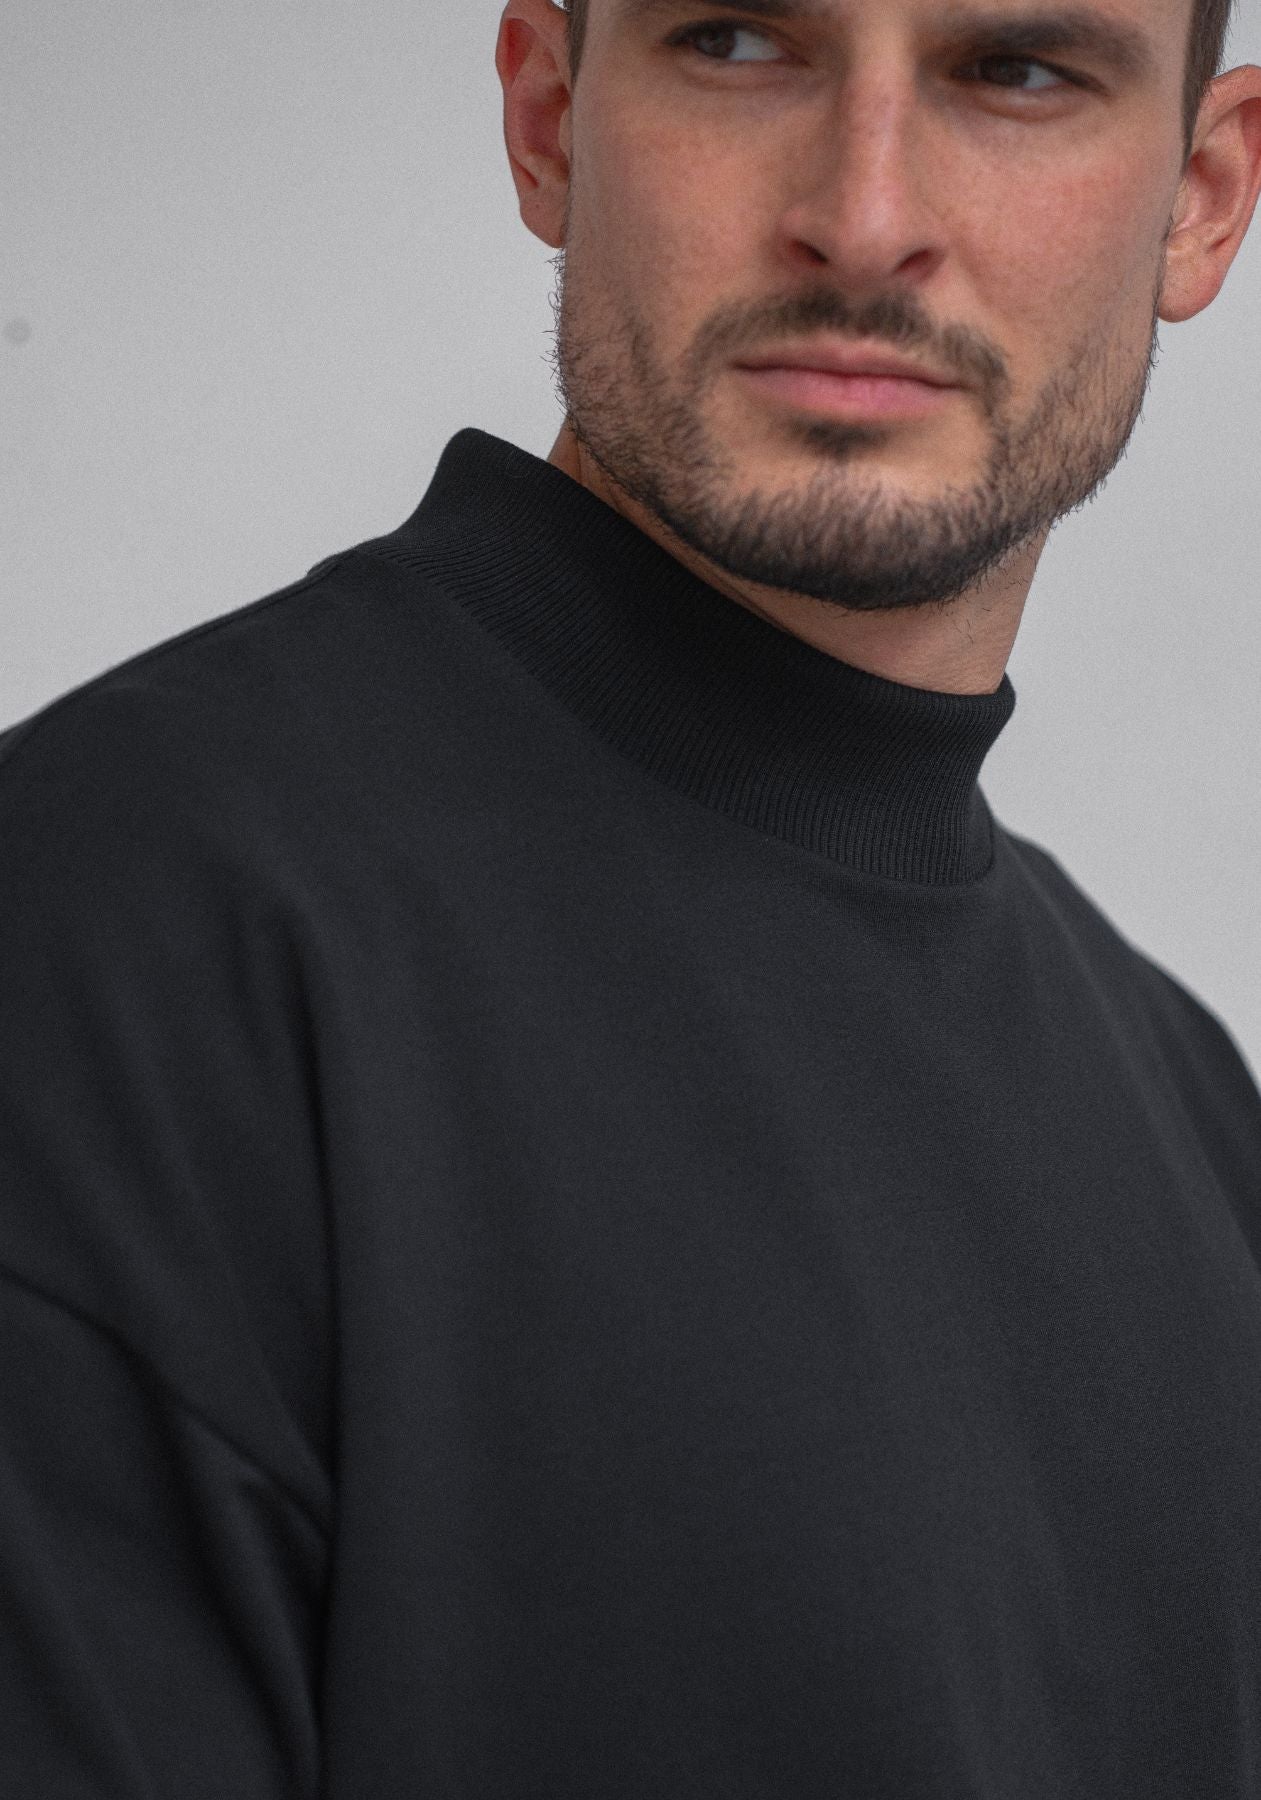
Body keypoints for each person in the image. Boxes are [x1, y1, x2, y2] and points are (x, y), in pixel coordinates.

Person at [2, 0, 1260, 1792]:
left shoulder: (1194, 1125)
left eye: (1016, 71)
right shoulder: (115, 942)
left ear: (1200, 199)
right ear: (547, 119)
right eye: (739, 43)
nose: (864, 217)